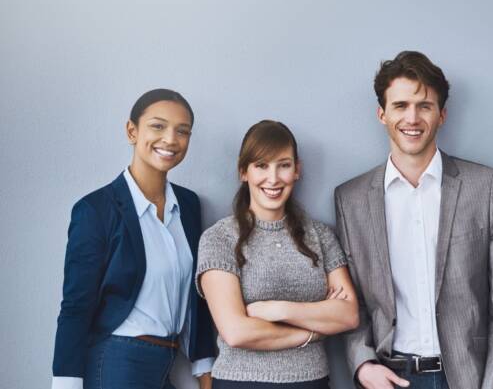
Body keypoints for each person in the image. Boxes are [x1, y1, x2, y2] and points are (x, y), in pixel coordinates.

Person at [334, 51, 493, 389]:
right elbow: (353, 301)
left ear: (442, 115)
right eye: (401, 105)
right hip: (390, 377)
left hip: (467, 379)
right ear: (382, 114)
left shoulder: (484, 186)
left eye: (424, 106)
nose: (413, 117)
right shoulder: (351, 199)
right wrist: (363, 365)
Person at [52, 89, 215, 389]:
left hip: (167, 360)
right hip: (116, 361)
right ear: (132, 131)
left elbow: (196, 294)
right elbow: (76, 306)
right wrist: (66, 384)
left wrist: (204, 370)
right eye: (158, 126)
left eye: (183, 131)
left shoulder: (189, 205)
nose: (170, 139)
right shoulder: (95, 210)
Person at [197, 120, 359, 389]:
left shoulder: (320, 235)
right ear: (243, 172)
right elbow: (236, 332)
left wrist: (275, 309)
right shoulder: (219, 238)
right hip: (241, 382)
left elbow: (348, 315)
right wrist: (312, 332)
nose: (273, 179)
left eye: (283, 165)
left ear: (297, 170)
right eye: (261, 165)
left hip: (311, 382)